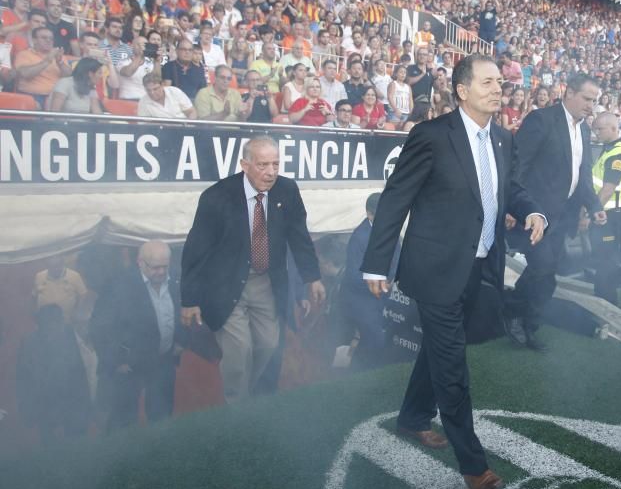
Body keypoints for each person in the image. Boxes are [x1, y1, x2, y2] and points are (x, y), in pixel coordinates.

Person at [361, 54, 545, 489]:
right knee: (453, 367)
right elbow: (395, 199)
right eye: (488, 82)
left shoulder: (503, 137)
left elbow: (509, 189)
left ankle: (412, 417)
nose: (499, 88)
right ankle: (473, 465)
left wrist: (531, 210)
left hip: (479, 266)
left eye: (501, 82)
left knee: (441, 349)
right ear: (462, 90)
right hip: (434, 270)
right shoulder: (431, 135)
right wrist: (374, 262)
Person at [180, 136, 325, 402]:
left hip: (266, 283)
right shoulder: (216, 196)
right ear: (244, 165)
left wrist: (312, 277)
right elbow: (195, 250)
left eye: (275, 164)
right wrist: (189, 299)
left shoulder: (287, 190)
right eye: (263, 165)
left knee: (269, 345)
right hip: (227, 286)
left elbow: (299, 236)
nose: (271, 172)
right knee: (238, 352)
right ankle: (237, 408)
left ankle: (247, 395)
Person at [506, 74, 605, 351]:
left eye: (594, 101)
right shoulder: (542, 119)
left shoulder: (584, 130)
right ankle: (516, 314)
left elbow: (582, 175)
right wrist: (515, 206)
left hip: (565, 216)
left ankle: (526, 322)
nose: (591, 106)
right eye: (587, 99)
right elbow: (518, 166)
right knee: (543, 268)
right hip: (535, 213)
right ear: (569, 93)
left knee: (547, 272)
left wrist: (595, 206)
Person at [90, 241, 187, 431]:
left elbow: (184, 308)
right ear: (140, 263)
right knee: (124, 420)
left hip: (163, 359)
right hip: (129, 365)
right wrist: (116, 360)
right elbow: (100, 326)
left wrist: (181, 340)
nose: (161, 272)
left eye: (164, 266)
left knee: (162, 417)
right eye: (155, 267)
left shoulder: (175, 279)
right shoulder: (118, 285)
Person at [16, 304, 91, 445]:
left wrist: (85, 405)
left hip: (70, 402)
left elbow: (79, 373)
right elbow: (23, 380)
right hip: (44, 405)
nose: (55, 326)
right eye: (50, 323)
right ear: (41, 324)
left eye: (58, 321)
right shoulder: (29, 344)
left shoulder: (68, 337)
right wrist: (26, 410)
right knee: (49, 445)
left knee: (76, 442)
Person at [341, 193, 394, 369]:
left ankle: (358, 367)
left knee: (375, 339)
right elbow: (353, 275)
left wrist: (390, 276)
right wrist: (378, 281)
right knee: (376, 339)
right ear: (369, 214)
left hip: (380, 296)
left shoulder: (390, 230)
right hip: (361, 299)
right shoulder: (359, 237)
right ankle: (358, 370)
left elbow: (397, 257)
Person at [589, 112, 621, 304]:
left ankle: (607, 304)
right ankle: (602, 298)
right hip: (605, 214)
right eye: (595, 129)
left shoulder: (617, 155)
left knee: (607, 261)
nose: (596, 132)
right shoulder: (608, 150)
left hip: (608, 217)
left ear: (614, 129)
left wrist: (589, 214)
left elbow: (606, 190)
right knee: (602, 260)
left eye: (600, 129)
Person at [33, 254, 88, 323]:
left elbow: (83, 295)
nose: (55, 269)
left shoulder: (74, 276)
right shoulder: (39, 276)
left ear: (62, 264)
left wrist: (77, 312)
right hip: (45, 320)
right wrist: (35, 311)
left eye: (57, 266)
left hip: (67, 320)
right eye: (52, 267)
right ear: (48, 266)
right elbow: (34, 295)